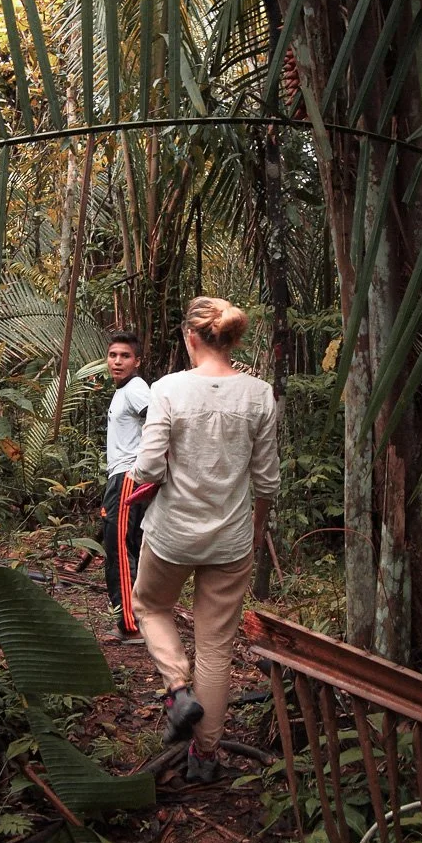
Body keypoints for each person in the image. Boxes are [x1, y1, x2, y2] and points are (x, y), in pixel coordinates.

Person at [131, 297, 280, 783]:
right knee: (215, 648)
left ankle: (177, 688)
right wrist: (254, 533)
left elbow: (149, 467)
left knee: (150, 606)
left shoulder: (169, 389)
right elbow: (267, 481)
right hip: (231, 540)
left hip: (172, 535)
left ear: (190, 337)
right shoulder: (258, 395)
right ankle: (206, 757)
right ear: (231, 338)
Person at [102, 331, 151, 641]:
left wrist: (145, 467)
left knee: (118, 550)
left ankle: (129, 625)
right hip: (121, 477)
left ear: (137, 361)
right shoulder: (123, 391)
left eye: (125, 356)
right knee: (126, 547)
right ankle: (136, 619)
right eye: (113, 355)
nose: (118, 361)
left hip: (128, 476)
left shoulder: (135, 389)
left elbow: (159, 421)